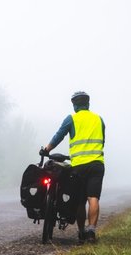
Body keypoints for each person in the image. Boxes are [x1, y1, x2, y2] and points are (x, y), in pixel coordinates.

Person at [40, 91, 105, 244]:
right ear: (88, 104)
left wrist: (47, 150)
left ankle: (81, 232)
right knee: (93, 198)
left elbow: (59, 136)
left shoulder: (72, 119)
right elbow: (102, 141)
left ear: (74, 105)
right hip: (96, 164)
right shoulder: (99, 119)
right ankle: (91, 231)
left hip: (78, 166)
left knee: (80, 201)